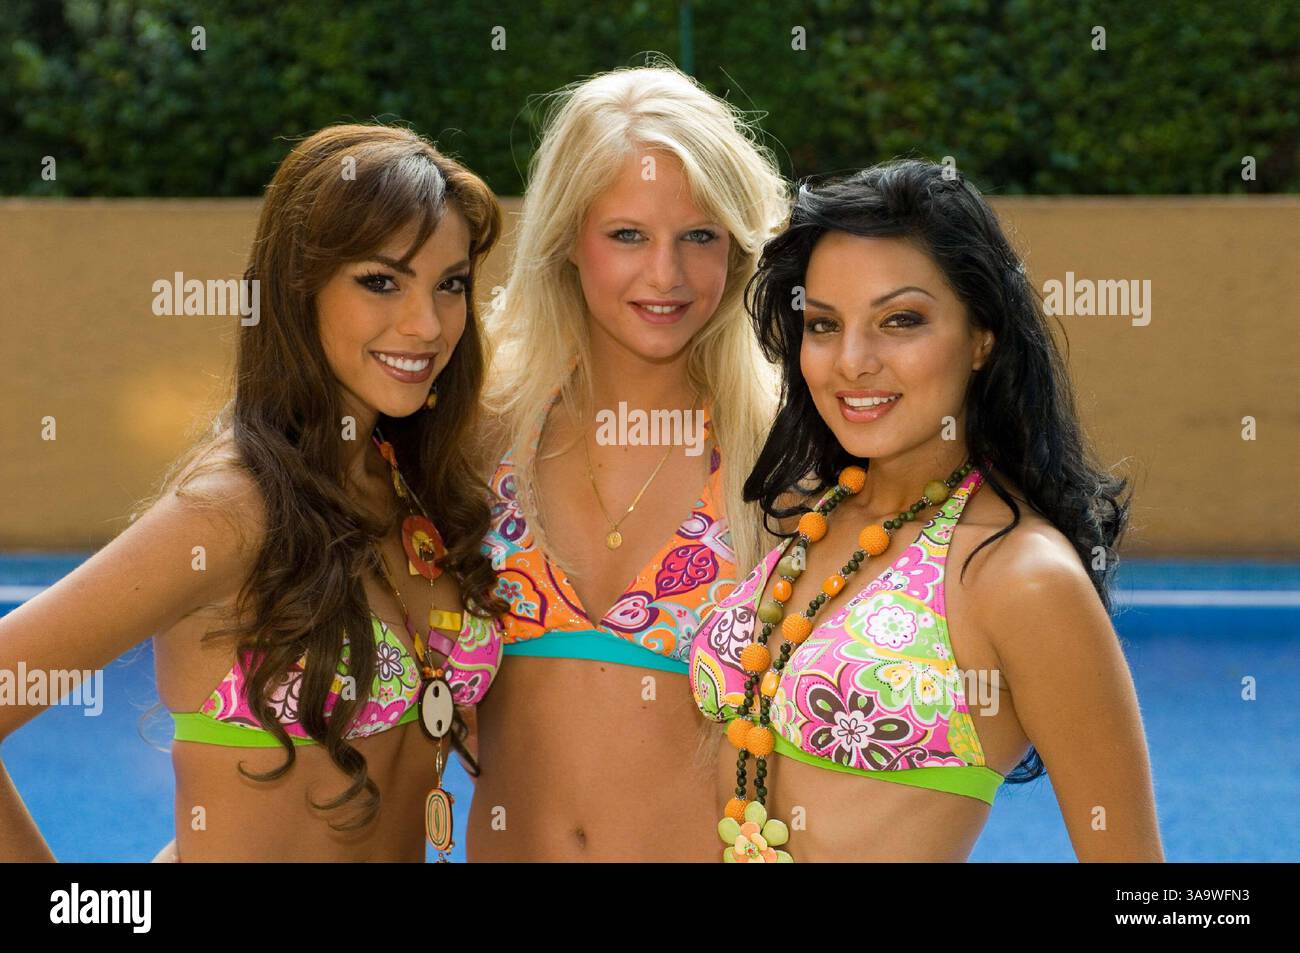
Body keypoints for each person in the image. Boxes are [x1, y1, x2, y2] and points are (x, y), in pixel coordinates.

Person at [0, 124, 506, 861]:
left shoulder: (414, 488)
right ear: (299, 288)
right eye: (381, 281)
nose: (427, 324)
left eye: (450, 284)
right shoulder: (232, 509)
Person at [691, 160, 1164, 862]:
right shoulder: (813, 511)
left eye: (900, 320)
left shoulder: (1020, 574)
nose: (852, 360)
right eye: (823, 324)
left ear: (982, 336)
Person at [468, 63, 789, 860]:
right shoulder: (483, 433)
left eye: (699, 237)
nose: (666, 276)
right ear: (567, 240)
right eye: (627, 235)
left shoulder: (782, 456)